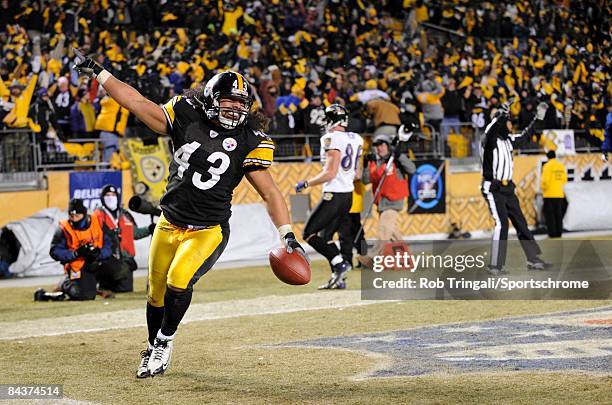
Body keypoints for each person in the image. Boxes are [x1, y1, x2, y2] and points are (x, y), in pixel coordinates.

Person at [73, 51, 307, 378]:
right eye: (228, 101)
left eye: (241, 104)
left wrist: (288, 235)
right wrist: (100, 73)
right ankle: (153, 343)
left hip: (207, 229)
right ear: (211, 99)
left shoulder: (250, 139)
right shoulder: (186, 114)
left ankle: (164, 343)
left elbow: (269, 192)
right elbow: (137, 103)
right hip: (168, 223)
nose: (235, 109)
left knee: (177, 280)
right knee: (155, 292)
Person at [295, 104, 364, 289]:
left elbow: (330, 173)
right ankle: (338, 278)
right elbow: (357, 173)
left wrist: (306, 183)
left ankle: (340, 263)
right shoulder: (357, 138)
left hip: (334, 194)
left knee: (308, 233)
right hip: (348, 195)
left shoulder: (331, 138)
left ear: (331, 119)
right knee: (326, 236)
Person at [480, 100, 550, 275]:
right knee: (501, 225)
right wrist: (501, 115)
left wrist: (538, 118)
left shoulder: (508, 140)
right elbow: (490, 131)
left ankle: (533, 259)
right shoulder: (490, 140)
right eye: (509, 122)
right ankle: (495, 265)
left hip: (508, 189)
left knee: (521, 223)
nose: (511, 125)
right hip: (493, 188)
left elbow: (526, 136)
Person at [359, 125, 416, 265]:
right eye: (377, 146)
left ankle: (373, 257)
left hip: (394, 201)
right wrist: (366, 164)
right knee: (392, 233)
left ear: (388, 146)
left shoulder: (395, 159)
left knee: (384, 229)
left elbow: (412, 169)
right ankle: (406, 259)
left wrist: (400, 156)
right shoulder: (374, 162)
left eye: (382, 145)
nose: (379, 148)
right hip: (381, 202)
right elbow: (366, 180)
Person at [45, 198, 113, 300]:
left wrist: (99, 253)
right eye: (71, 216)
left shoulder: (98, 222)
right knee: (84, 295)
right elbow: (54, 251)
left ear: (84, 214)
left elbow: (109, 244)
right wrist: (75, 253)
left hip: (98, 261)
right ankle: (65, 284)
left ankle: (103, 286)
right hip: (79, 266)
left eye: (77, 216)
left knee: (121, 271)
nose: (74, 219)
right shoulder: (64, 229)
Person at [93, 184, 154, 292]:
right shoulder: (97, 215)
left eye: (113, 194)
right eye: (107, 195)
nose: (111, 197)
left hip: (126, 260)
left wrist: (149, 229)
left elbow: (134, 233)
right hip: (108, 260)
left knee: (125, 291)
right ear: (102, 198)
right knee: (107, 289)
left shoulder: (125, 214)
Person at [540, 150, 567, 238]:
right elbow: (564, 180)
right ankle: (559, 232)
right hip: (559, 194)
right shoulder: (561, 165)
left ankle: (552, 233)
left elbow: (545, 180)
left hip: (549, 194)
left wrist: (543, 189)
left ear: (548, 157)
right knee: (558, 214)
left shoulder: (547, 166)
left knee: (550, 215)